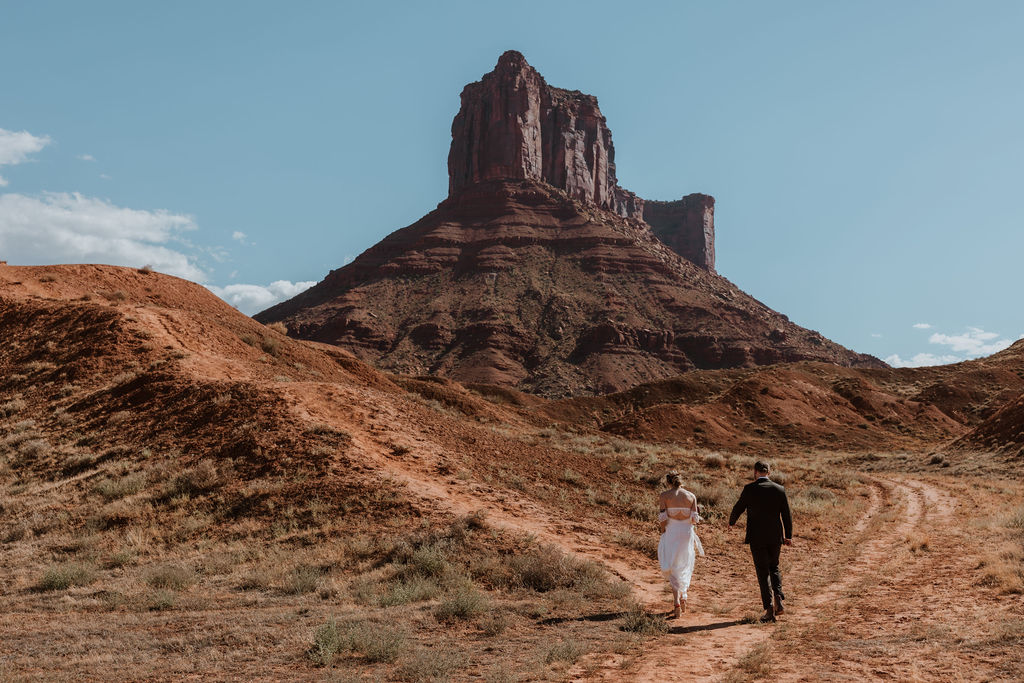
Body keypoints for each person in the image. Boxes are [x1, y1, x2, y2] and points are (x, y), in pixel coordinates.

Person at [728, 461, 793, 622]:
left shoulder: (749, 489)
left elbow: (739, 507)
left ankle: (769, 610)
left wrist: (731, 522)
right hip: (775, 537)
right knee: (774, 566)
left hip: (757, 537)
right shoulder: (779, 489)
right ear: (769, 472)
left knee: (762, 572)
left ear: (755, 472)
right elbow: (786, 514)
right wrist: (788, 535)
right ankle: (778, 597)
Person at [657, 472, 705, 618]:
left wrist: (663, 532)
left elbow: (663, 519)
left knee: (672, 566)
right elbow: (694, 520)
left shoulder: (664, 496)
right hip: (686, 533)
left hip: (671, 531)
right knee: (684, 564)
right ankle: (684, 595)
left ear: (668, 482)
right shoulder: (691, 496)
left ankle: (676, 602)